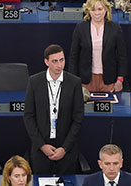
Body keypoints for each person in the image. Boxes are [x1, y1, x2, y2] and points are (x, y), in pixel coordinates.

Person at [23, 45, 84, 174]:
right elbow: (29, 116)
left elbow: (78, 119)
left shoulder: (74, 83)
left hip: (66, 150)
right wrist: (42, 145)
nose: (59, 65)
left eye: (62, 60)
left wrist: (65, 148)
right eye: (55, 61)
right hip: (41, 150)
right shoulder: (34, 82)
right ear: (46, 62)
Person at [69, 0, 127, 92]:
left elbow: (122, 56)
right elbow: (74, 57)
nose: (96, 13)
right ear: (88, 10)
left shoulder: (115, 28)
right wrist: (73, 81)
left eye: (100, 9)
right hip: (86, 80)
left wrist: (120, 80)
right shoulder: (80, 28)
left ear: (106, 9)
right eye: (93, 9)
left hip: (108, 80)